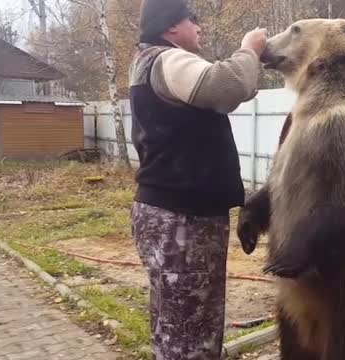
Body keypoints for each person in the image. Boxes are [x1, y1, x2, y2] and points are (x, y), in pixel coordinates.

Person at [128, 0, 268, 359]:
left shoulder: (147, 63)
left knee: (174, 320)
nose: (199, 26)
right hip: (183, 219)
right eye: (192, 19)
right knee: (192, 328)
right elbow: (224, 86)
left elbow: (229, 92)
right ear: (170, 27)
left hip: (163, 212)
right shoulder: (168, 59)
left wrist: (249, 69)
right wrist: (248, 49)